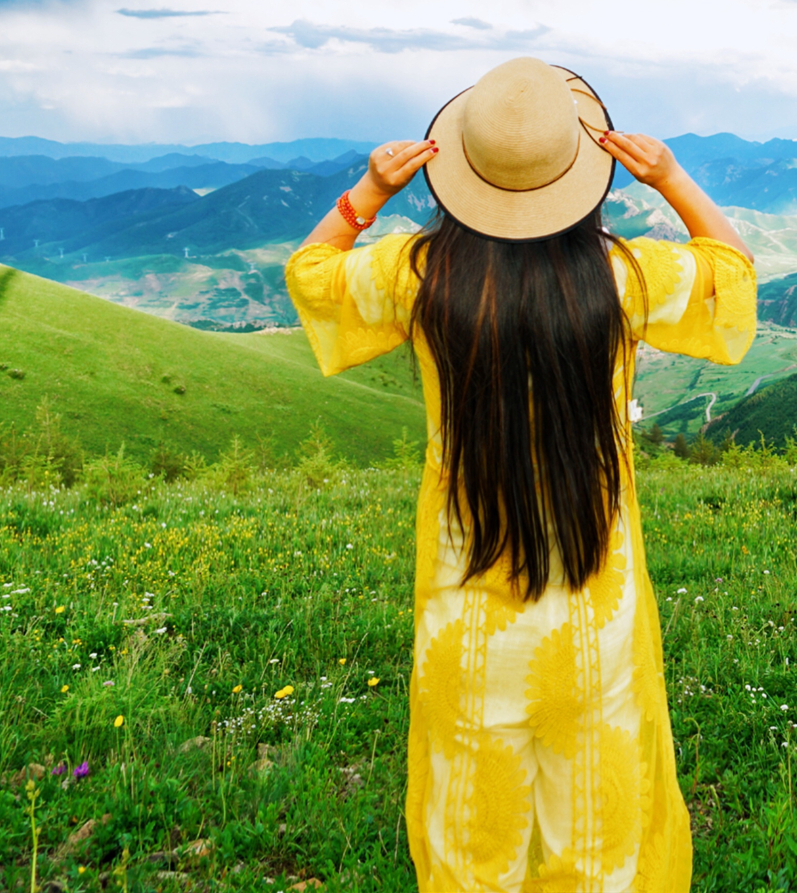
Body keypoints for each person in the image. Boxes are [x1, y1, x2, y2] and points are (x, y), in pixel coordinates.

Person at [284, 56, 755, 892]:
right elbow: (732, 271)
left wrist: (365, 195)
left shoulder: (420, 275)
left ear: (461, 172)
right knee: (602, 838)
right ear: (582, 176)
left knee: (471, 846)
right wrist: (674, 177)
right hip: (593, 619)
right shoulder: (625, 279)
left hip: (466, 620)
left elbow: (312, 279)